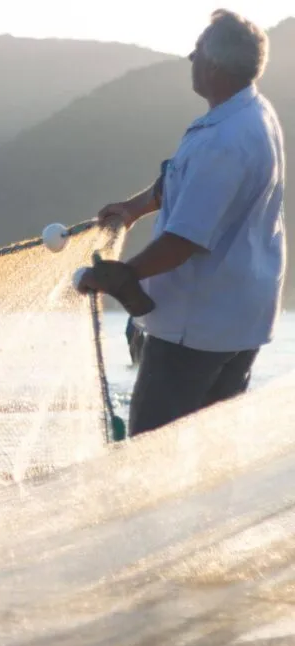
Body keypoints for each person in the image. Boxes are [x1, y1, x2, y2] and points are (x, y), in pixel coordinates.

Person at [78, 10, 285, 437]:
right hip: (241, 322)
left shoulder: (223, 141)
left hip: (196, 331)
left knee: (152, 454)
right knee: (210, 455)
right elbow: (183, 180)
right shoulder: (254, 112)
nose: (189, 56)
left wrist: (124, 274)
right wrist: (134, 207)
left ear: (213, 65)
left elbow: (184, 240)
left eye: (197, 50)